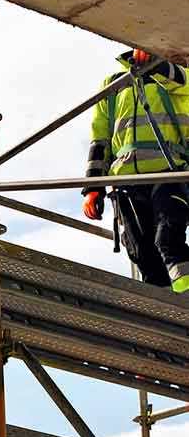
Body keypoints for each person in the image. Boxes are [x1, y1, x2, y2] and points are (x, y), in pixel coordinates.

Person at [82, 49, 189, 293]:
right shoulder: (113, 85)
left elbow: (183, 82)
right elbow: (100, 138)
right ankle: (162, 310)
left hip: (168, 172)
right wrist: (93, 188)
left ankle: (185, 298)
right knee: (142, 253)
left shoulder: (177, 76)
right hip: (126, 180)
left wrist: (157, 65)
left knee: (168, 239)